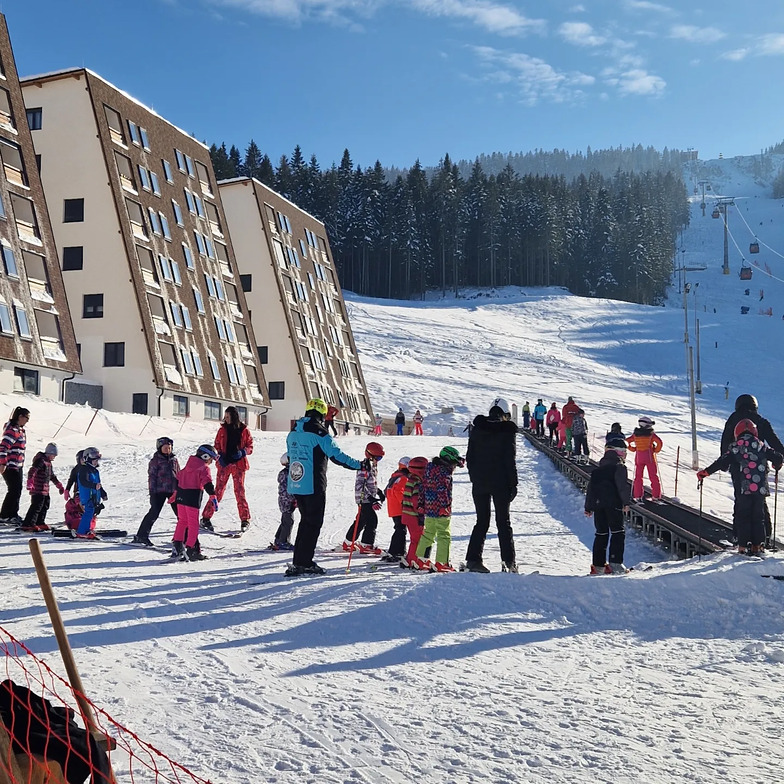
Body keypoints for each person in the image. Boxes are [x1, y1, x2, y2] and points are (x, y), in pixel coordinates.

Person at [286, 398, 363, 576]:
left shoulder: (293, 431)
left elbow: (290, 456)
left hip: (296, 482)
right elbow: (337, 456)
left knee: (305, 522)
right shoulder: (319, 433)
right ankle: (304, 563)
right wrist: (359, 465)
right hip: (313, 484)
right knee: (313, 523)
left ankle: (299, 561)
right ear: (321, 414)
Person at [698, 419, 783, 554]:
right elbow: (778, 457)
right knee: (758, 517)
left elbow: (722, 461)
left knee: (744, 516)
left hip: (745, 488)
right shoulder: (761, 445)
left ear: (737, 432)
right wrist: (777, 464)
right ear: (755, 432)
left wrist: (706, 472)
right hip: (760, 489)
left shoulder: (736, 447)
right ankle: (758, 545)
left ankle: (743, 546)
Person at [720, 394, 784, 544]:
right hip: (759, 469)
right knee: (760, 503)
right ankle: (764, 537)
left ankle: (740, 537)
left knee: (740, 501)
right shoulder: (761, 421)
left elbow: (725, 443)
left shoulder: (732, 420)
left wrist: (724, 463)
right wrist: (778, 460)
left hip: (738, 468)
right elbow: (776, 444)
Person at [464, 398, 519, 573]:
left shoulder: (477, 429)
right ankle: (508, 562)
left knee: (481, 521)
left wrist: (475, 477)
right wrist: (513, 484)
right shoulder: (507, 432)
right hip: (500, 483)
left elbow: (470, 458)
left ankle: (473, 560)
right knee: (503, 522)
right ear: (505, 414)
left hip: (480, 483)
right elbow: (509, 460)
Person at [200, 406, 253, 533]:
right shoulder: (222, 430)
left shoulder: (244, 430)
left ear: (234, 416)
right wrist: (219, 456)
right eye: (225, 416)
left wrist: (243, 452)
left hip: (239, 465)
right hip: (224, 465)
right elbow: (217, 445)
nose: (226, 419)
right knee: (218, 492)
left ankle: (245, 519)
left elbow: (250, 446)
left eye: (228, 416)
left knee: (239, 492)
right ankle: (205, 518)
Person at [413, 446, 465, 572]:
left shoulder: (429, 469)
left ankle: (421, 560)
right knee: (444, 534)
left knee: (428, 533)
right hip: (440, 508)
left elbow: (422, 487)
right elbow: (442, 490)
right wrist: (445, 506)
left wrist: (421, 504)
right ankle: (442, 562)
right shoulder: (444, 472)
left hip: (429, 508)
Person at [585, 437, 631, 574]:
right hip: (613, 504)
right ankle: (615, 563)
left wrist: (588, 507)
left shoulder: (597, 471)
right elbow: (622, 486)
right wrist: (626, 502)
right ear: (619, 453)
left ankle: (598, 566)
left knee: (601, 533)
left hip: (599, 506)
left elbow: (591, 490)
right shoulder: (619, 467)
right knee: (617, 532)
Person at [172, 444, 218, 561]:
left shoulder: (188, 466)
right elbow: (207, 482)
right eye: (210, 459)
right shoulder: (203, 468)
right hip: (192, 498)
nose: (211, 462)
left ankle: (177, 546)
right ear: (205, 456)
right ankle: (192, 550)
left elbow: (178, 478)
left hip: (181, 497)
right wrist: (212, 495)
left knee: (182, 521)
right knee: (193, 524)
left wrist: (175, 494)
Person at [133, 437, 180, 546]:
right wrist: (152, 492)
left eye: (169, 448)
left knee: (181, 514)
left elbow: (179, 473)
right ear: (159, 448)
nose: (168, 450)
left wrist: (180, 487)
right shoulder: (155, 461)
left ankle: (183, 537)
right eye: (165, 448)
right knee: (154, 513)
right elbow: (152, 477)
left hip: (173, 490)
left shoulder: (174, 460)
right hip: (159, 491)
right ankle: (141, 535)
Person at [344, 442, 385, 554]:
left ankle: (348, 542)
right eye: (378, 458)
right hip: (363, 498)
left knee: (361, 520)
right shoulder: (364, 467)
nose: (378, 460)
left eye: (380, 458)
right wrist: (370, 499)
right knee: (372, 520)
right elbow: (360, 485)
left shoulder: (372, 466)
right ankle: (366, 545)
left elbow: (371, 484)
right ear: (370, 455)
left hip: (368, 498)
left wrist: (379, 492)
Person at [21, 443, 63, 532]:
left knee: (45, 505)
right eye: (54, 455)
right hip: (37, 489)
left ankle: (40, 522)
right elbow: (32, 470)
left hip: (45, 490)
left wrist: (59, 485)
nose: (54, 457)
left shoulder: (48, 463)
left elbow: (51, 476)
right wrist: (30, 481)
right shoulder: (41, 460)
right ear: (49, 453)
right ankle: (28, 523)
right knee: (36, 506)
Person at [0, 407, 29, 525]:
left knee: (17, 490)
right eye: (26, 418)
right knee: (14, 490)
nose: (27, 421)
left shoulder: (20, 430)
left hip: (18, 464)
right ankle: (5, 515)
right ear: (20, 417)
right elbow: (3, 447)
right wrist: (2, 463)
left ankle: (12, 514)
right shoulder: (12, 430)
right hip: (10, 465)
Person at [380, 456, 410, 563]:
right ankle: (397, 552)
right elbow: (398, 492)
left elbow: (386, 491)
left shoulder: (394, 477)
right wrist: (405, 503)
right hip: (400, 508)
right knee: (401, 529)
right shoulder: (403, 478)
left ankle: (397, 551)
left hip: (393, 508)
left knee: (399, 529)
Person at [627, 416, 663, 502]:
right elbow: (659, 442)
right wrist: (655, 450)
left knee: (638, 477)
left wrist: (633, 449)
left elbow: (627, 441)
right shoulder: (651, 434)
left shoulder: (636, 434)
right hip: (649, 457)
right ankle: (656, 496)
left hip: (639, 457)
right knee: (653, 476)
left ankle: (637, 495)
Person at [401, 457, 428, 568]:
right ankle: (413, 559)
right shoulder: (417, 482)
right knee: (418, 538)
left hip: (407, 514)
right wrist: (421, 511)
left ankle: (411, 558)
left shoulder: (411, 479)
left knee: (415, 538)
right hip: (414, 515)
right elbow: (416, 499)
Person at [76, 447, 106, 538]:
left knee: (91, 512)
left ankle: (86, 529)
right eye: (94, 460)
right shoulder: (84, 470)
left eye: (97, 460)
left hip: (94, 496)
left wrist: (103, 493)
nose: (96, 462)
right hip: (87, 495)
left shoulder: (95, 471)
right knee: (88, 512)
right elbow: (83, 481)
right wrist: (93, 486)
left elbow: (98, 484)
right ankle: (81, 531)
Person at [272, 453, 297, 550]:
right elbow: (287, 489)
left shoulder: (286, 472)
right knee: (288, 521)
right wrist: (292, 499)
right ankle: (283, 541)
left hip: (284, 500)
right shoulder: (288, 473)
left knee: (285, 520)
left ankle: (278, 538)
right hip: (287, 501)